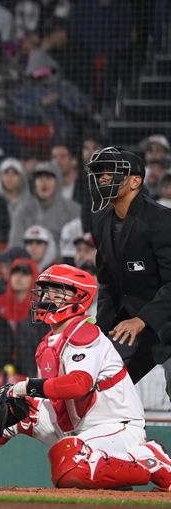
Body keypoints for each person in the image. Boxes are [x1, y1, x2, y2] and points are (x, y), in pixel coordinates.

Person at [0, 265, 171, 491]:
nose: (45, 297)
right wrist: (20, 399)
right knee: (6, 405)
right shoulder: (51, 341)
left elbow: (79, 385)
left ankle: (150, 460)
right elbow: (55, 398)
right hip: (75, 424)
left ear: (78, 298)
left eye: (55, 291)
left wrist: (27, 387)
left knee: (68, 467)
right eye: (45, 290)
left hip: (115, 426)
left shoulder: (84, 333)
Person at [88, 147, 171, 399]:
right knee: (101, 389)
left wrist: (142, 319)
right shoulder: (100, 221)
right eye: (100, 173)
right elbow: (108, 284)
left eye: (112, 172)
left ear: (135, 181)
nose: (103, 178)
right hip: (132, 326)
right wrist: (101, 333)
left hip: (160, 318)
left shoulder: (162, 220)